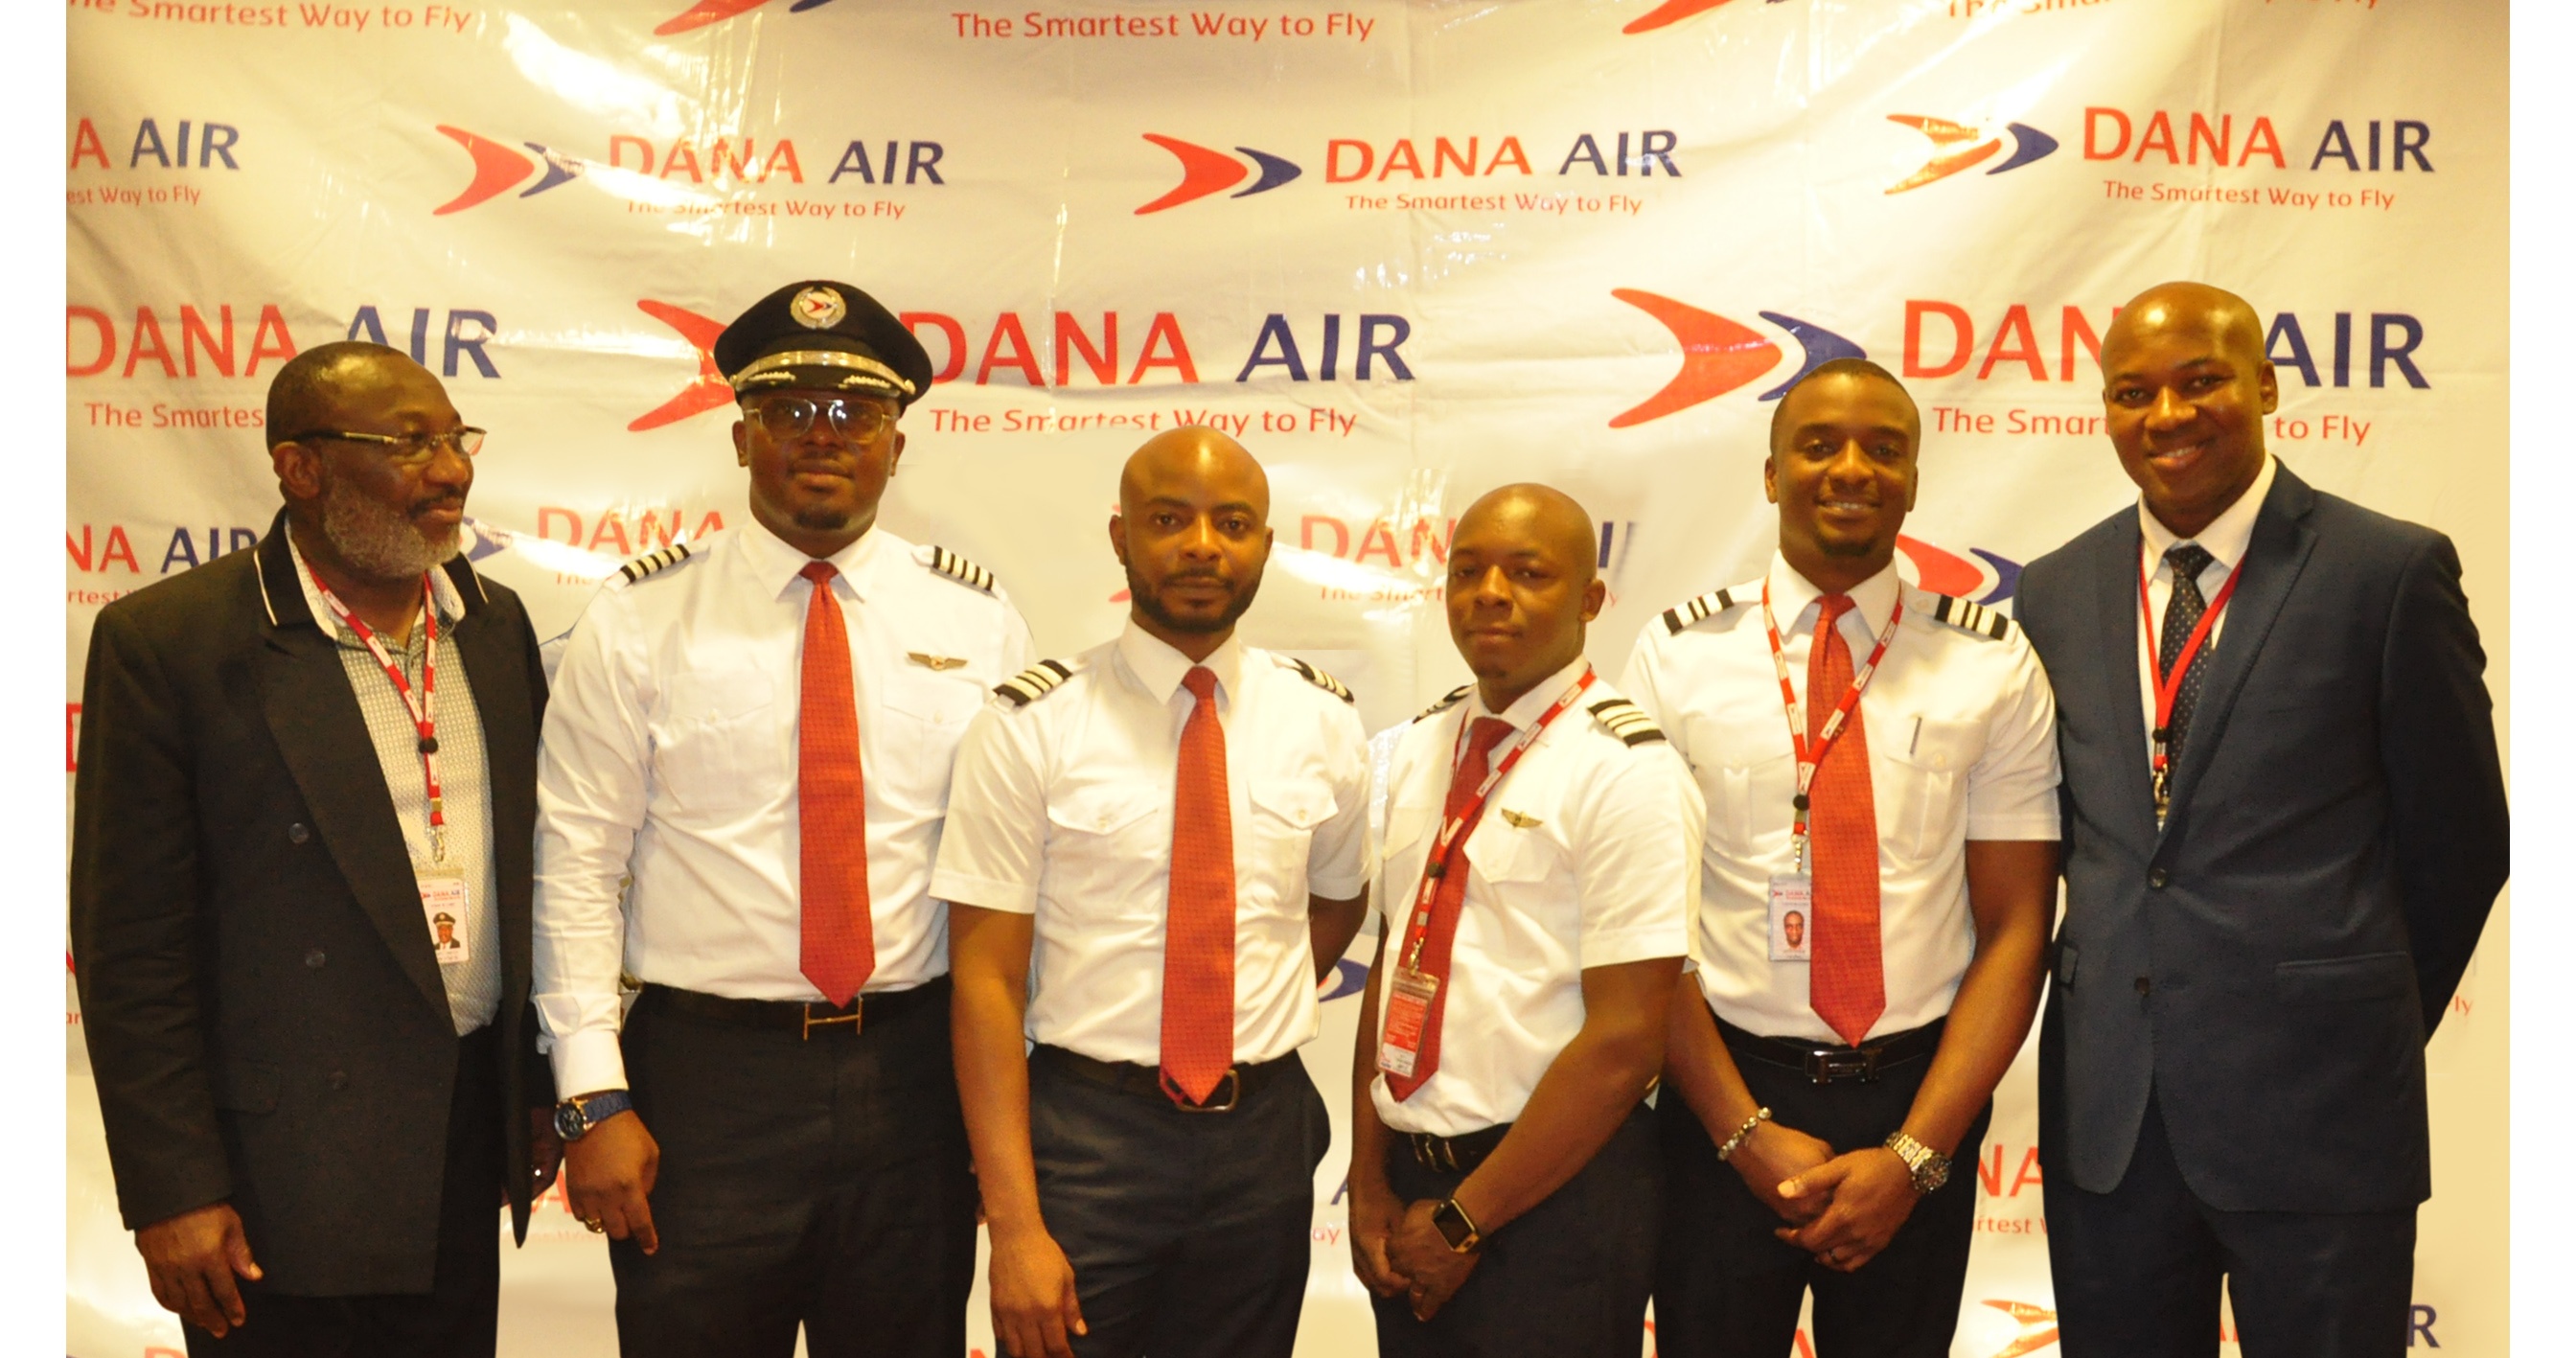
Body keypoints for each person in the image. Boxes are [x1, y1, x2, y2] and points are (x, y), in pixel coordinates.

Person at [532, 280, 1033, 1357]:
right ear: (739, 434)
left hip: (915, 1081)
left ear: (898, 446)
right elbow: (575, 862)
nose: (825, 437)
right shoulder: (639, 617)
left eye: (855, 415)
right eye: (791, 411)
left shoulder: (979, 620)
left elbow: (1012, 878)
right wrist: (588, 1093)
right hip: (703, 1089)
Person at [2014, 282, 2509, 1357]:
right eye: (2133, 392)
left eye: (2202, 381)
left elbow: (2462, 843)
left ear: (2267, 385)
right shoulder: (2053, 591)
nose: (2169, 415)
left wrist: (2343, 1009)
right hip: (2112, 1119)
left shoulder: (2387, 571)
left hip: (2322, 1113)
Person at [71, 341, 559, 1354]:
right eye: (411, 443)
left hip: (460, 1145)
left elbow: (540, 877)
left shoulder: (493, 625)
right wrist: (175, 1189)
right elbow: (132, 951)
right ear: (300, 468)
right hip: (277, 1176)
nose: (453, 469)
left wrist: (551, 1090)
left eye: (455, 438)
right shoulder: (174, 642)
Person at [1622, 359, 2060, 1358]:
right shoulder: (1678, 655)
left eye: (1883, 448)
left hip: (1919, 1102)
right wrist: (1741, 1133)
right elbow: (1645, 929)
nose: (1850, 467)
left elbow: (2016, 926)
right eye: (1818, 445)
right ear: (1772, 474)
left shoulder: (1991, 661)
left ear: (1913, 478)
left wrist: (1913, 1155)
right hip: (1721, 1090)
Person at [935, 427, 1372, 1358]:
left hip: (1265, 1136)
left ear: (1264, 544)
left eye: (1233, 522)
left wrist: (1239, 992)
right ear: (1120, 536)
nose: (1202, 544)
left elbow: (1337, 902)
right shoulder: (1030, 727)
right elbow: (983, 980)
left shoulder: (1323, 720)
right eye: (1169, 519)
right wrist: (1015, 1224)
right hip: (1087, 1138)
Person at [1349, 483, 1701, 1358]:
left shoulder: (1626, 771)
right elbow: (1398, 958)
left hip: (1554, 1199)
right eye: (1467, 571)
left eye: (1526, 572)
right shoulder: (1418, 749)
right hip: (1409, 1188)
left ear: (1589, 600)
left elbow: (1627, 1041)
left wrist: (1466, 1221)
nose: (1490, 593)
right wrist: (1364, 1180)